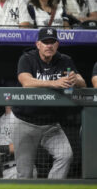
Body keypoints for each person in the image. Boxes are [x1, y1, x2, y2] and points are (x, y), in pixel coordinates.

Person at [12, 27, 86, 179]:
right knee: (25, 173)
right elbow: (26, 82)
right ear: (38, 44)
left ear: (57, 45)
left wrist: (75, 79)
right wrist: (55, 83)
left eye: (52, 42)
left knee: (65, 156)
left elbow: (83, 83)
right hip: (26, 123)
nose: (49, 46)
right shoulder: (27, 58)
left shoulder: (64, 60)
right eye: (45, 42)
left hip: (51, 125)